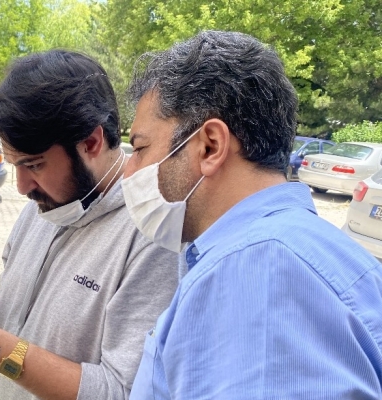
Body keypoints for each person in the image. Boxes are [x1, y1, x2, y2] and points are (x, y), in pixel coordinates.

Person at [0, 50, 180, 400]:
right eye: (15, 166)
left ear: (91, 142)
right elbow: (16, 311)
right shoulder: (47, 205)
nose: (22, 187)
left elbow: (121, 391)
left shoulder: (153, 236)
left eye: (34, 165)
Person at [122, 30, 382, 399]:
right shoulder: (311, 250)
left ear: (210, 146)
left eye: (140, 148)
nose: (129, 172)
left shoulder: (255, 272)